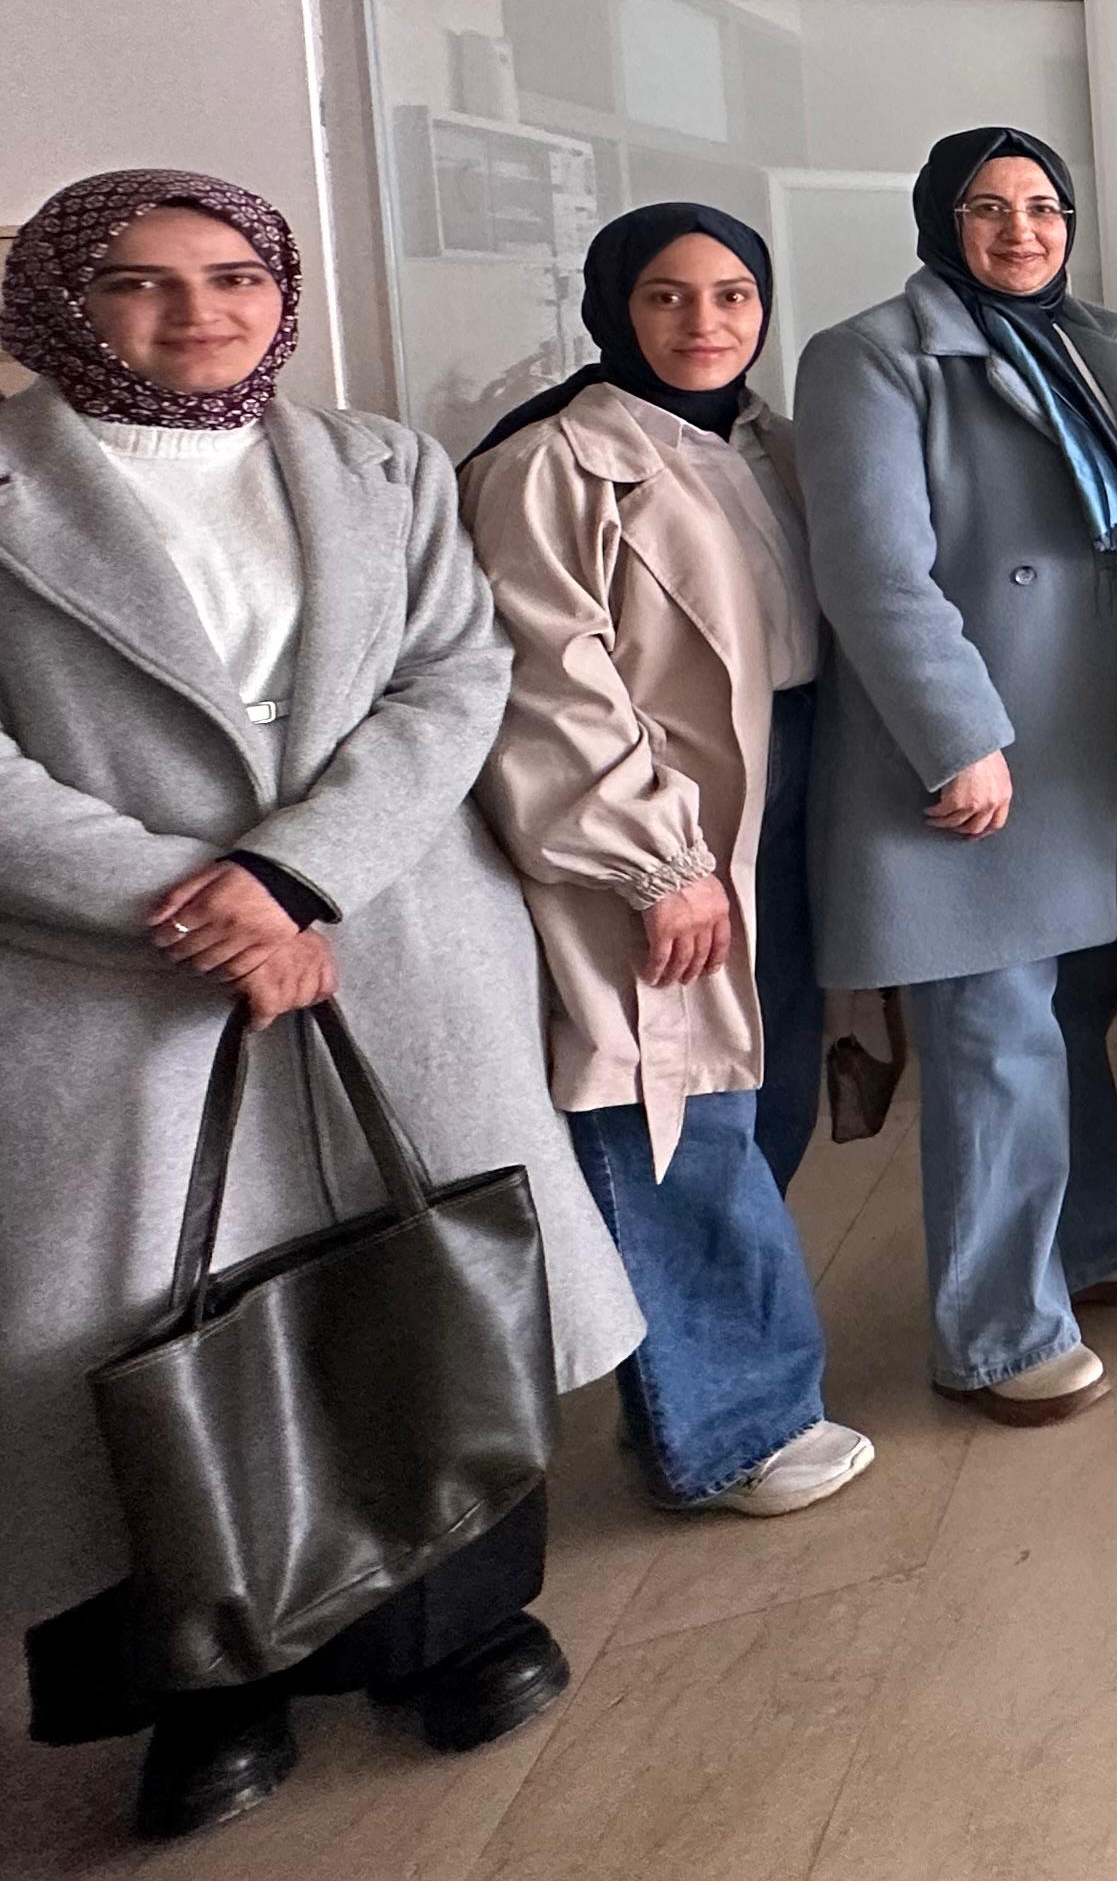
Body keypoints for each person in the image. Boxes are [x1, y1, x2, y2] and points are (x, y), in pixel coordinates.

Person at [0, 173, 640, 1842]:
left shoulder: (377, 463)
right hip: (118, 975)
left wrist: (295, 876)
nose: (199, 311)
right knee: (152, 1321)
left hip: (387, 927)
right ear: (60, 299)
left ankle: (457, 1628)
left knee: (430, 1269)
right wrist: (196, 901)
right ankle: (210, 1689)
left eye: (234, 275)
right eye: (140, 282)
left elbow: (456, 674)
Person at [462, 206, 873, 1517]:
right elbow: (548, 687)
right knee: (672, 1113)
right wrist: (656, 860)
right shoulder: (551, 464)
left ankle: (687, 1392)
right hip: (657, 821)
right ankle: (734, 1428)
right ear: (613, 308)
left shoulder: (771, 445)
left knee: (769, 1085)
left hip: (792, 788)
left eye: (734, 295)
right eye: (669, 296)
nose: (706, 323)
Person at [800, 128, 1117, 1430]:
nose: (1022, 231)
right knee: (992, 1038)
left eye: (1043, 207)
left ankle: (1089, 1242)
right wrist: (959, 736)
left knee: (1070, 1010)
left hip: (1084, 738)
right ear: (941, 221)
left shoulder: (1081, 348)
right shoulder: (872, 357)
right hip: (978, 754)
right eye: (989, 208)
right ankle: (994, 1333)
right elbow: (875, 572)